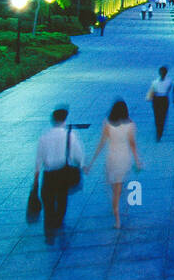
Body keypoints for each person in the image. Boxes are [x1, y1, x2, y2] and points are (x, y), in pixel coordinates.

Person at [85, 100, 142, 229]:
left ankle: (116, 214)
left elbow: (101, 143)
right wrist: (137, 160)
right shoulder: (131, 125)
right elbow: (132, 144)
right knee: (119, 186)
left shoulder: (107, 123)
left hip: (111, 158)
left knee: (112, 186)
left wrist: (91, 162)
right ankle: (116, 210)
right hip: (124, 158)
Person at [33, 107, 84, 245]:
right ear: (64, 120)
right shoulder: (70, 135)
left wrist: (36, 179)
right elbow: (78, 155)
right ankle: (59, 221)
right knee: (61, 199)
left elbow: (39, 160)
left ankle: (49, 232)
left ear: (52, 120)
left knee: (48, 204)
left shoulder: (43, 138)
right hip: (63, 173)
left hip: (48, 175)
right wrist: (80, 165)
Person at [147, 66, 172, 141]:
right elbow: (168, 89)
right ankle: (159, 130)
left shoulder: (155, 82)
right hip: (161, 98)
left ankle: (159, 131)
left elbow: (152, 90)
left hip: (160, 98)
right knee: (160, 115)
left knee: (160, 116)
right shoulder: (168, 81)